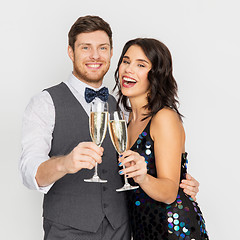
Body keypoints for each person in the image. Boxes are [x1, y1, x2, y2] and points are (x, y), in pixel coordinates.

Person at [19, 15, 200, 239]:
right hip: (67, 232)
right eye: (86, 47)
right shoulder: (45, 103)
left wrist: (181, 183)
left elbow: (157, 162)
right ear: (70, 52)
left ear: (111, 53)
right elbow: (29, 172)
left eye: (102, 48)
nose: (95, 56)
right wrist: (65, 163)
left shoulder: (123, 109)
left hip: (123, 230)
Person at [115, 38, 209, 239]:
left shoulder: (163, 117)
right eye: (126, 61)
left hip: (173, 228)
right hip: (143, 229)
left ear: (156, 74)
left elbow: (168, 192)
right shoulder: (125, 121)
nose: (128, 69)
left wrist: (142, 177)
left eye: (141, 65)